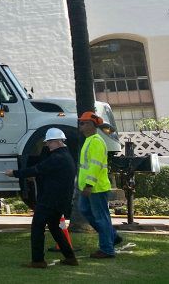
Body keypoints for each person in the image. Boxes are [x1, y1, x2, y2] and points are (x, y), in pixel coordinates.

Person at [6, 127, 79, 268]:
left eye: (49, 142)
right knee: (54, 227)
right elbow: (48, 172)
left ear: (58, 141)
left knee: (37, 226)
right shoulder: (66, 156)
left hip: (50, 199)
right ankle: (70, 257)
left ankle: (38, 260)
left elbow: (38, 169)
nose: (47, 145)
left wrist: (14, 173)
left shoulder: (58, 157)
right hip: (59, 199)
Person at [77, 111, 118, 259]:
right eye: (80, 122)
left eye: (83, 123)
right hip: (90, 187)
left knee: (101, 218)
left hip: (95, 188)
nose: (80, 125)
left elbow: (95, 166)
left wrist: (88, 185)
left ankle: (107, 249)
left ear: (91, 125)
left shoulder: (96, 141)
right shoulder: (90, 140)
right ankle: (112, 236)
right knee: (86, 211)